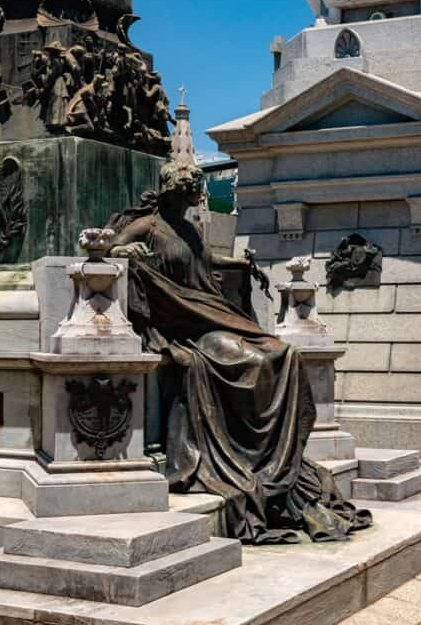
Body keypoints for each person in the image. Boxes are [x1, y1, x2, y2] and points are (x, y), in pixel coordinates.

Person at [108, 160, 371, 545]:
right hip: (185, 324)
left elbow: (206, 261)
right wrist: (126, 249)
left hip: (209, 312)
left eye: (194, 188)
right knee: (255, 361)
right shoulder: (150, 225)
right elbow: (114, 245)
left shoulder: (191, 227)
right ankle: (255, 452)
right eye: (186, 187)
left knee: (284, 354)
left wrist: (242, 263)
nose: (192, 194)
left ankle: (269, 455)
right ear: (169, 189)